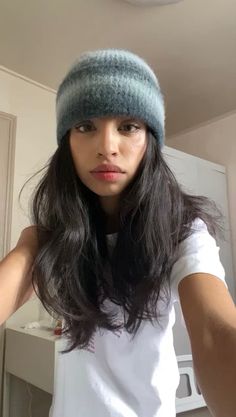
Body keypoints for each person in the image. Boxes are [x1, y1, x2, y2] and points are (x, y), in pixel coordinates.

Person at [0, 49, 236, 417]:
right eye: (85, 126)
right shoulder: (48, 240)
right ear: (68, 142)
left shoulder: (182, 232)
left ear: (150, 140)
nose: (107, 147)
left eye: (128, 126)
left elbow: (213, 329)